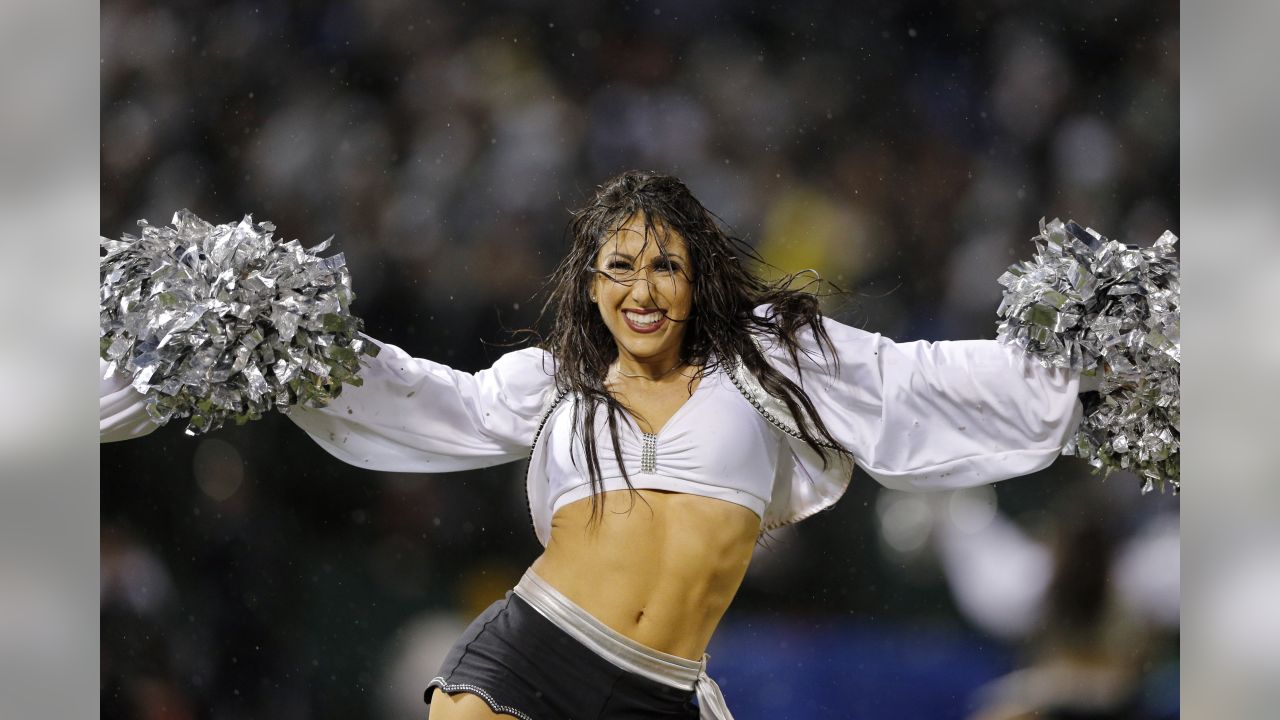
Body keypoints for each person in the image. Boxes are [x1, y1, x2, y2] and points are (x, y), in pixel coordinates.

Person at [101, 170, 1089, 719]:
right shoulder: (553, 386)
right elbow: (415, 396)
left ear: (698, 275)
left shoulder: (780, 364)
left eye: (664, 264)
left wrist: (1085, 358)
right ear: (590, 284)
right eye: (619, 267)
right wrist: (277, 334)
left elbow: (915, 383)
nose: (642, 287)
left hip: (660, 697)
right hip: (525, 660)